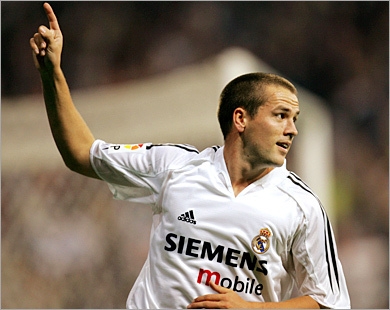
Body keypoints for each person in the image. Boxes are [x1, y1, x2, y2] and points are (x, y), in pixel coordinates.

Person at [30, 3, 350, 309]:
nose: (292, 129)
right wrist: (52, 74)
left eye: (294, 119)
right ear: (241, 119)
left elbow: (329, 301)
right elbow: (82, 154)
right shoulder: (175, 166)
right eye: (281, 116)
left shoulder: (302, 206)